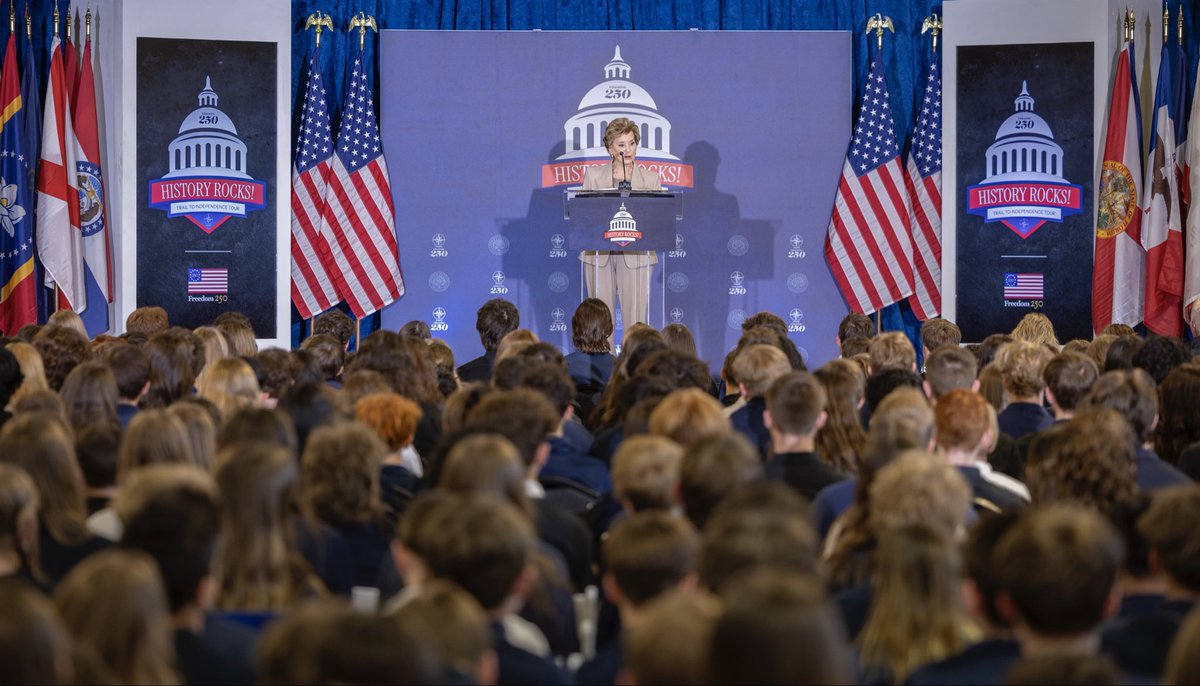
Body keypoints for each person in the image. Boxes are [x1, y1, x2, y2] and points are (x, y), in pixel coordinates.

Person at [580, 117, 662, 330]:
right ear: (610, 149)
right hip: (599, 256)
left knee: (635, 322)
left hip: (636, 256)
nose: (629, 150)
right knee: (598, 322)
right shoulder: (594, 176)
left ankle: (632, 362)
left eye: (632, 143)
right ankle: (601, 363)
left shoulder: (651, 179)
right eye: (622, 145)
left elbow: (658, 221)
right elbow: (582, 218)